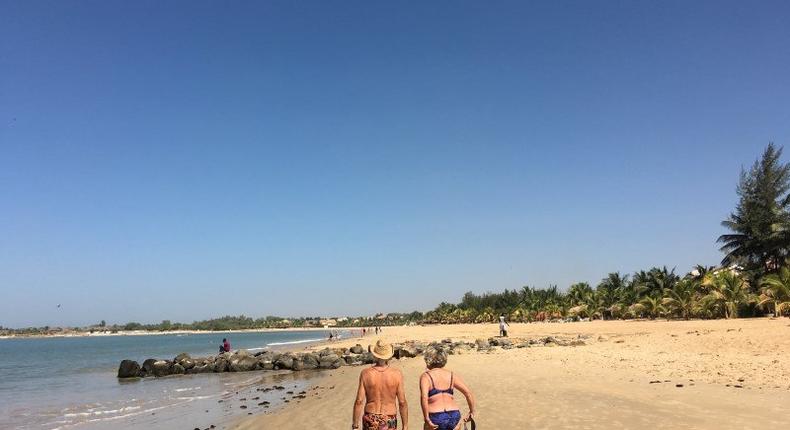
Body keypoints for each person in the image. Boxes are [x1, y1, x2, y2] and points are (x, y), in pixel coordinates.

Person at [352, 340, 409, 430]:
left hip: (370, 417)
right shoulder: (397, 374)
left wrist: (355, 425)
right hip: (389, 418)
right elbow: (402, 402)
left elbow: (359, 401)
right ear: (389, 356)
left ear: (375, 355)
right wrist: (405, 426)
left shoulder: (365, 373)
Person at [419, 347, 476, 430]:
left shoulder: (426, 376)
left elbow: (424, 398)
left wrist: (426, 418)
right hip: (454, 415)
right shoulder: (451, 375)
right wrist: (472, 412)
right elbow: (468, 393)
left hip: (436, 416)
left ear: (428, 360)